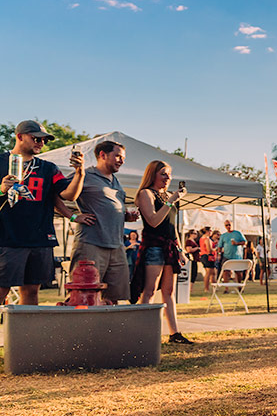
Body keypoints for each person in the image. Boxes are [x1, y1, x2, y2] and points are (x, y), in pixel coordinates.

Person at [0, 121, 84, 305]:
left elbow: (69, 195)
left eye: (44, 140)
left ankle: (26, 334)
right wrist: (1, 190)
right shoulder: (1, 162)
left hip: (40, 239)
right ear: (20, 136)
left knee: (31, 292)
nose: (41, 143)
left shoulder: (48, 168)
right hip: (8, 239)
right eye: (36, 138)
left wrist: (79, 172)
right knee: (1, 290)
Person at [69, 139, 137, 304]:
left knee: (114, 298)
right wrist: (73, 216)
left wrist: (126, 216)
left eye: (123, 158)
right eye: (118, 156)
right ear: (102, 155)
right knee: (84, 297)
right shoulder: (85, 175)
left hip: (117, 245)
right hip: (91, 244)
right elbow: (56, 195)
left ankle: (107, 330)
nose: (122, 161)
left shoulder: (115, 181)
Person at [135, 160, 191, 344]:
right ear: (153, 174)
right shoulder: (146, 194)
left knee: (168, 291)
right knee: (149, 291)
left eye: (169, 174)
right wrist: (171, 201)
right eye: (163, 174)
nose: (168, 178)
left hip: (170, 248)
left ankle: (174, 333)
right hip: (154, 246)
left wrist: (181, 249)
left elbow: (171, 226)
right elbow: (153, 221)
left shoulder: (166, 196)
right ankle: (143, 334)